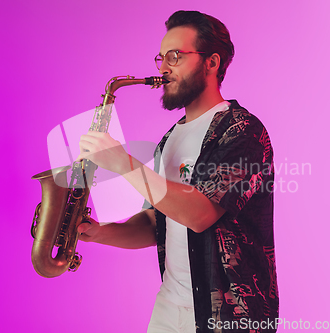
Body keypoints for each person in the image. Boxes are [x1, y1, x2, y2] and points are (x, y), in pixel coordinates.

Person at [77, 10, 279, 333]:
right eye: (161, 58)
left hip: (230, 318)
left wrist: (123, 163)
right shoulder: (170, 140)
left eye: (175, 56)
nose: (163, 68)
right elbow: (158, 221)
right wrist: (99, 232)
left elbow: (199, 214)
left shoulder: (243, 131)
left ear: (211, 62)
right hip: (169, 309)